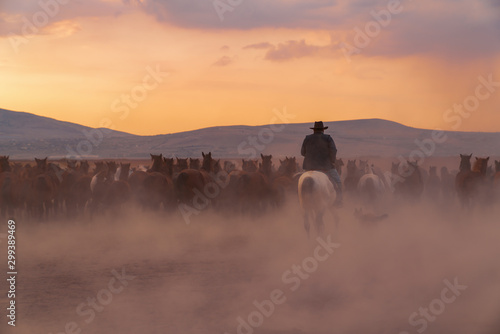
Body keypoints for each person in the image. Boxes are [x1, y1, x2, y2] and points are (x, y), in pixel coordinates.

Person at [301, 121, 343, 206]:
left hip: (309, 168)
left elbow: (302, 152)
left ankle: (298, 201)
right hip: (326, 167)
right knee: (338, 182)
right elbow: (333, 151)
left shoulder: (307, 138)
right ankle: (339, 201)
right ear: (323, 130)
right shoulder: (328, 138)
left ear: (314, 130)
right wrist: (332, 161)